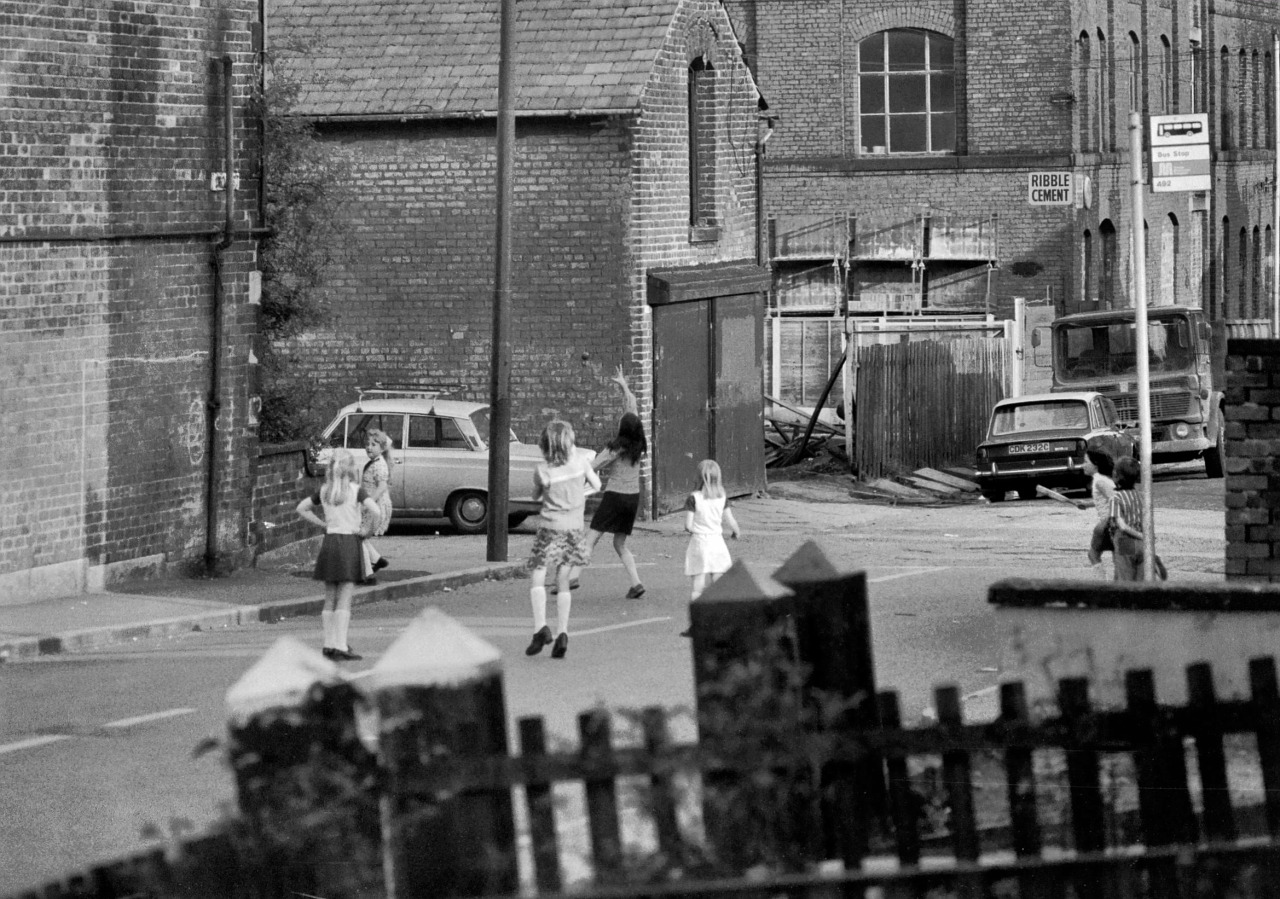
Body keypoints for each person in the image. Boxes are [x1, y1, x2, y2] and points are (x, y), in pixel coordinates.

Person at [563, 366, 646, 599]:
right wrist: (624, 386)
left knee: (592, 537)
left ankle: (574, 576)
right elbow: (632, 409)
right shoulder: (638, 444)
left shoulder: (615, 448)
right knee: (620, 544)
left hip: (615, 496)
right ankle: (636, 583)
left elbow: (593, 465)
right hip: (632, 499)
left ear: (622, 428)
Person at [296, 448, 381, 661]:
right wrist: (367, 530)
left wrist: (323, 525)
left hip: (330, 543)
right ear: (350, 468)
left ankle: (328, 644)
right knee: (345, 596)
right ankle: (341, 645)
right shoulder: (356, 491)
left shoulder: (325, 491)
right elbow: (376, 511)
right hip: (349, 543)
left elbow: (301, 508)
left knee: (330, 596)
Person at [525, 420, 601, 659]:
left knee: (538, 573)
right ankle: (563, 633)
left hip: (550, 528)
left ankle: (540, 628)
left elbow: (536, 496)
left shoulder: (543, 470)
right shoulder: (581, 463)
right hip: (575, 529)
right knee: (563, 579)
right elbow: (597, 485)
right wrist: (580, 493)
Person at [684, 459, 741, 602]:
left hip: (699, 541)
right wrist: (736, 531)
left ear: (698, 477)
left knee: (699, 578)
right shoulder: (722, 497)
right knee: (718, 574)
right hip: (717, 541)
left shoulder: (694, 498)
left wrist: (693, 530)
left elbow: (688, 525)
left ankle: (697, 603)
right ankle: (718, 605)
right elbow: (731, 520)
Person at [1108, 456, 1168, 582]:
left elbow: (1122, 526)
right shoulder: (1139, 496)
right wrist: (1144, 536)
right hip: (1142, 544)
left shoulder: (1115, 498)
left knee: (1125, 582)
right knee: (1142, 583)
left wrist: (1140, 536)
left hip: (1125, 542)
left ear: (1116, 476)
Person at [359, 428, 394, 584]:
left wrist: (368, 503)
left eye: (374, 444)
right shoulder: (375, 462)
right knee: (360, 536)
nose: (369, 447)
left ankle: (367, 573)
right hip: (374, 506)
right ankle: (377, 559)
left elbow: (381, 487)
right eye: (367, 444)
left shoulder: (379, 465)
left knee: (357, 537)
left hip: (375, 507)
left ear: (381, 448)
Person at [1084, 445, 1116, 578]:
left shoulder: (1099, 481)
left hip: (1109, 523)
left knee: (1093, 554)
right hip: (1114, 523)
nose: (1083, 465)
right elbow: (1103, 499)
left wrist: (1108, 521)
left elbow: (1114, 499)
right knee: (1118, 557)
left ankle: (1102, 585)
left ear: (1095, 465)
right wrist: (1087, 504)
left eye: (1086, 462)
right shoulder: (1102, 480)